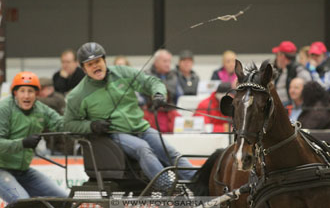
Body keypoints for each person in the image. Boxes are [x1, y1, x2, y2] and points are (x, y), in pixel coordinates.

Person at [64, 42, 195, 188]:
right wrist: (91, 125)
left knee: (170, 151)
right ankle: (170, 190)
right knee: (143, 149)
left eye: (98, 61)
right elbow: (68, 124)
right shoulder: (77, 95)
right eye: (90, 64)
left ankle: (200, 184)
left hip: (141, 128)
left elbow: (151, 81)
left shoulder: (122, 72)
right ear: (83, 68)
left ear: (104, 60)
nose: (95, 66)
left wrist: (158, 94)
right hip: (116, 134)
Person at [0, 72, 68, 204]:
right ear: (15, 93)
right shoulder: (4, 109)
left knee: (64, 200)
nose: (26, 95)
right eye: (22, 91)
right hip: (1, 170)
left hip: (24, 171)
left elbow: (61, 125)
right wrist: (22, 143)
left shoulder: (41, 110)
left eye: (30, 91)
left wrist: (84, 123)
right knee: (23, 203)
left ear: (37, 94)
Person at [272, 41, 311, 105]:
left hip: (291, 108)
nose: (276, 58)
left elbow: (308, 92)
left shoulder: (299, 70)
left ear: (283, 56)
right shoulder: (281, 70)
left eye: (277, 55)